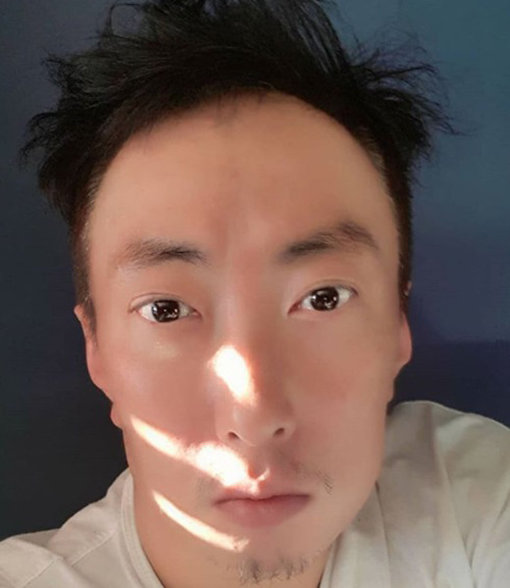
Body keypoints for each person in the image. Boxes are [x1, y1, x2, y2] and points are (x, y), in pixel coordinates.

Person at [0, 0, 509, 586]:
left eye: (323, 298)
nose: (255, 417)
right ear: (97, 351)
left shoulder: (475, 499)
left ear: (398, 325)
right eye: (166, 309)